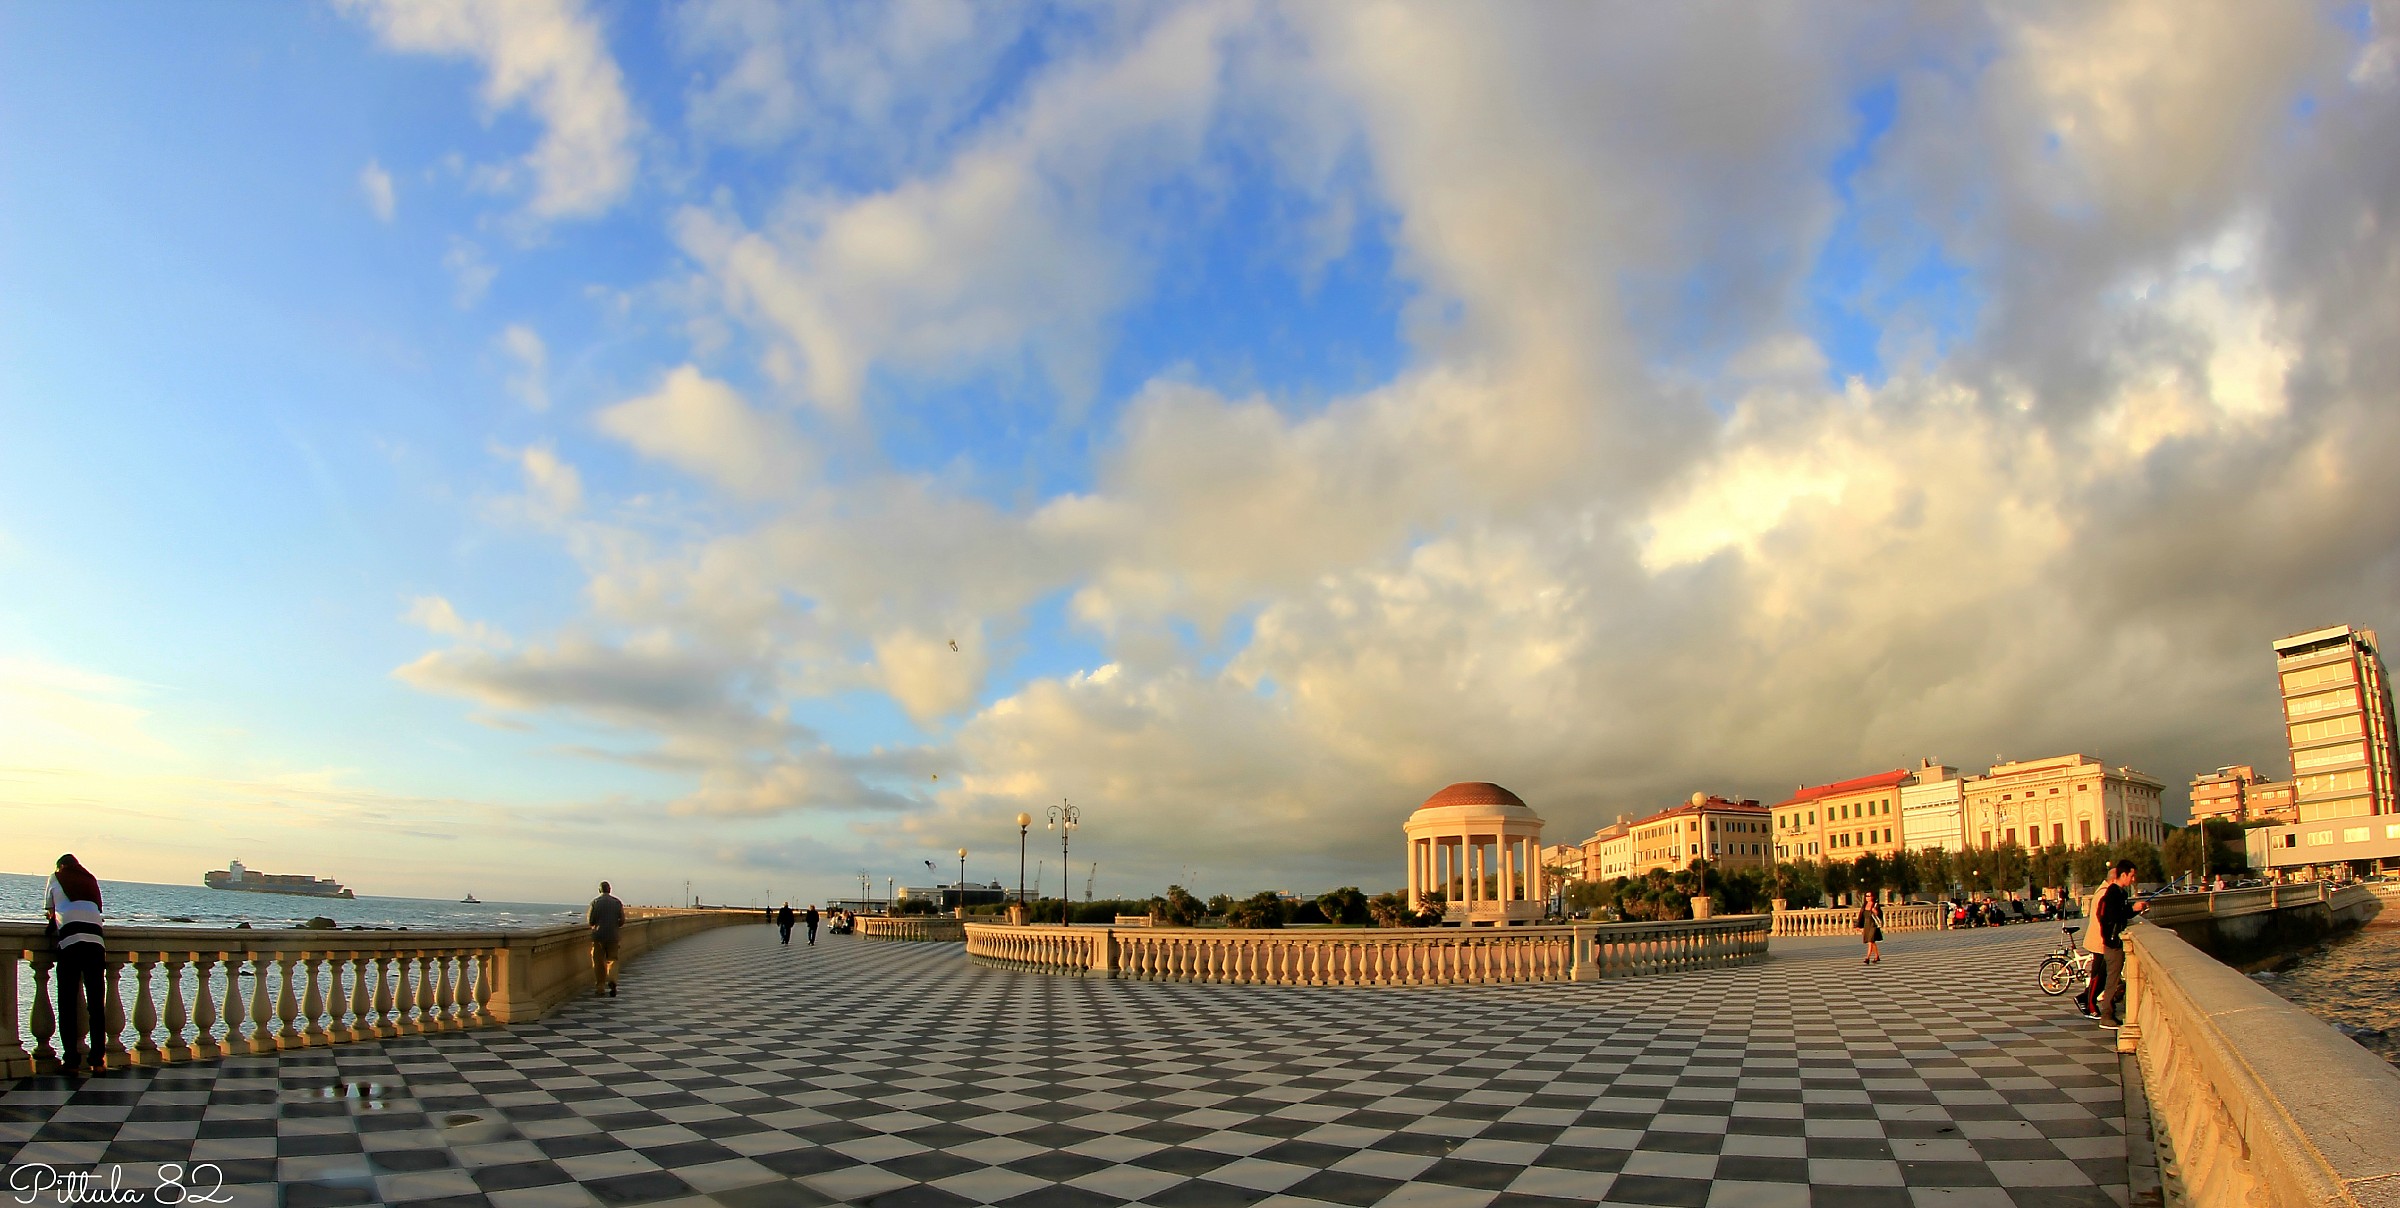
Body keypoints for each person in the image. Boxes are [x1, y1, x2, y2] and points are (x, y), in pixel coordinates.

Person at [46, 854, 108, 1075]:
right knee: (96, 1005)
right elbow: (97, 910)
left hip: (71, 943)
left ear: (61, 866)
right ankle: (97, 1060)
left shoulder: (55, 877)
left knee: (68, 1002)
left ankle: (71, 1060)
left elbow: (50, 912)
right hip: (96, 943)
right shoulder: (90, 880)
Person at [2089, 859, 2148, 1030]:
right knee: (2112, 979)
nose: (2133, 879)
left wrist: (2134, 910)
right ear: (2123, 875)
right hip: (2113, 943)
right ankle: (2106, 1015)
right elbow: (2113, 917)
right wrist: (2132, 910)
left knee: (2111, 978)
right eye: (2132, 875)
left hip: (2112, 941)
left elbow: (2119, 915)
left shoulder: (2118, 893)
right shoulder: (2113, 893)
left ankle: (2109, 1012)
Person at [588, 881, 625, 997]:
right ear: (610, 889)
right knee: (613, 959)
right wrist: (615, 926)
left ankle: (600, 987)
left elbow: (591, 921)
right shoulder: (617, 902)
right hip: (613, 936)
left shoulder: (595, 902)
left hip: (598, 936)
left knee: (598, 962)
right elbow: (622, 920)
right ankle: (613, 980)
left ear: (600, 890)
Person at [1856, 890, 1884, 965]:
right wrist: (1858, 925)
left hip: (1873, 924)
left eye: (1869, 896)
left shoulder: (1875, 905)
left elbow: (1880, 914)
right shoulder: (1864, 905)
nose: (1867, 897)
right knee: (1872, 941)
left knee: (1870, 941)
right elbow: (1861, 916)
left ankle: (1867, 957)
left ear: (1872, 897)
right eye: (1866, 896)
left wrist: (1876, 912)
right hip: (1866, 924)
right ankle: (1877, 956)